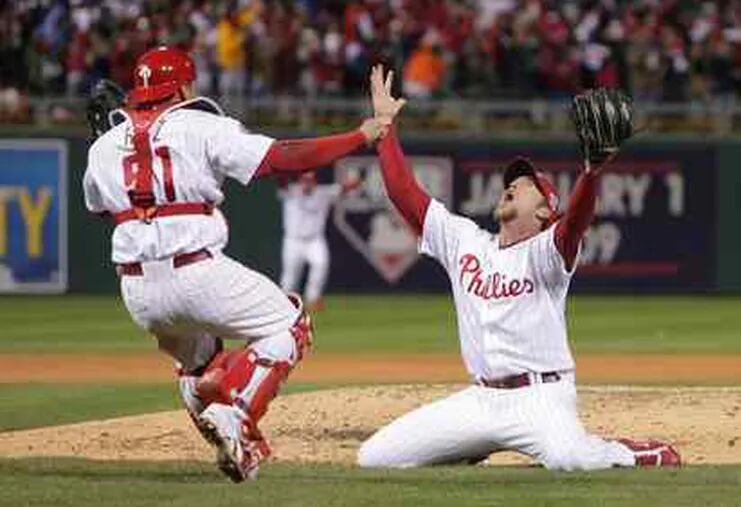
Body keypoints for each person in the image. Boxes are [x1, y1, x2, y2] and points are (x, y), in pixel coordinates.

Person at [82, 47, 388, 482]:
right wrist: (360, 135)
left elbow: (98, 208)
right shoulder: (202, 124)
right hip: (195, 270)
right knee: (291, 323)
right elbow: (283, 158)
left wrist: (106, 148)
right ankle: (236, 416)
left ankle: (211, 409)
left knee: (200, 362)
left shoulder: (103, 146)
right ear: (185, 87)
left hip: (137, 290)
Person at [357, 65, 681, 470]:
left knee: (570, 459)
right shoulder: (464, 241)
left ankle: (628, 452)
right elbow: (403, 193)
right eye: (511, 181)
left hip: (541, 398)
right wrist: (386, 126)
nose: (512, 185)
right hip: (481, 400)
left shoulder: (548, 251)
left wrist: (591, 173)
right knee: (375, 457)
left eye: (526, 185)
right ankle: (468, 448)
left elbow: (576, 222)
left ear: (547, 210)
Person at [278, 171, 361, 312]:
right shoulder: (291, 191)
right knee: (290, 275)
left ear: (315, 182)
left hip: (315, 240)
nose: (307, 183)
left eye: (310, 180)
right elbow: (281, 181)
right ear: (299, 181)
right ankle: (285, 303)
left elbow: (345, 187)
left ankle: (313, 299)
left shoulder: (322, 192)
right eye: (304, 180)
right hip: (293, 240)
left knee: (321, 264)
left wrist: (356, 179)